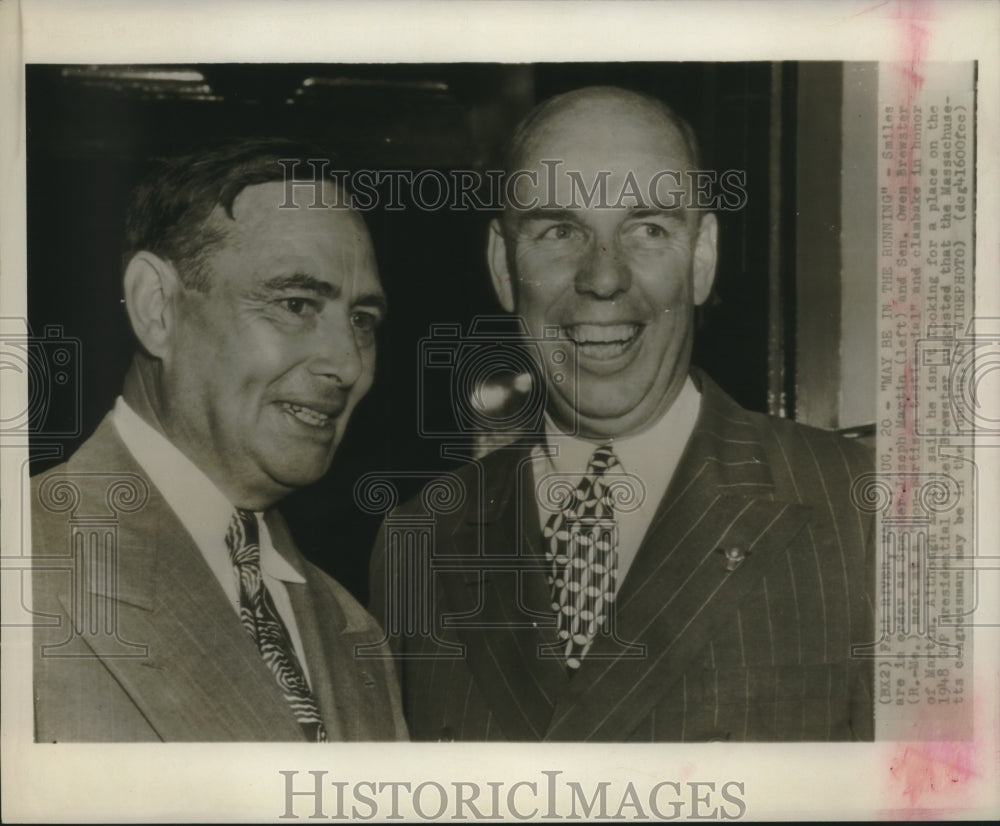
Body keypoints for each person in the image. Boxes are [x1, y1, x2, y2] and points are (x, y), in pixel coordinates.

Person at [370, 87, 875, 742]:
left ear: (702, 257)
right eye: (559, 230)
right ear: (502, 264)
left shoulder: (859, 513)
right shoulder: (420, 541)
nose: (603, 279)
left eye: (649, 229)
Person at [32, 138, 407, 742]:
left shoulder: (353, 628)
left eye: (363, 321)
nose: (348, 363)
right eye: (295, 303)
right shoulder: (25, 566)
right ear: (157, 308)